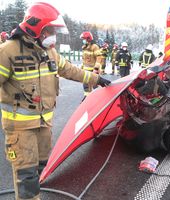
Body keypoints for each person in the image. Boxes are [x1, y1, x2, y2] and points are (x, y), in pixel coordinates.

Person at [0, 2, 110, 200]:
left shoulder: (48, 52)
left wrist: (97, 79)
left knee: (39, 168)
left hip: (44, 124)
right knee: (26, 174)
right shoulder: (8, 52)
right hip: (19, 128)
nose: (53, 35)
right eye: (49, 30)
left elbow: (70, 70)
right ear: (36, 28)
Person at [80, 31, 102, 98]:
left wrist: (96, 68)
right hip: (85, 71)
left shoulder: (94, 47)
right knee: (86, 86)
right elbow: (84, 59)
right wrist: (82, 68)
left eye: (84, 39)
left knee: (95, 85)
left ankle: (99, 98)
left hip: (93, 70)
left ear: (88, 39)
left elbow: (99, 57)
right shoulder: (84, 47)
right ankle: (86, 98)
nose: (83, 41)